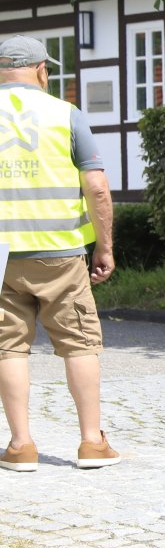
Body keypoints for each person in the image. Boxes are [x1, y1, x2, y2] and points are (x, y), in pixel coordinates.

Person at [0, 36, 119, 472]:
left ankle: (21, 446)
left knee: (8, 347)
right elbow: (97, 188)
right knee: (79, 343)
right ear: (41, 70)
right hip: (61, 253)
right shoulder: (66, 114)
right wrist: (104, 247)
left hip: (1, 256)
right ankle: (91, 443)